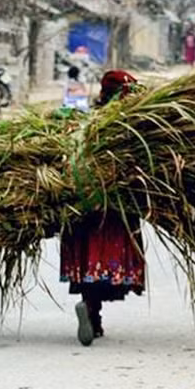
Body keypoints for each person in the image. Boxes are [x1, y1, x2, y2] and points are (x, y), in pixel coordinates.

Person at [59, 69, 146, 345]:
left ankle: (92, 313)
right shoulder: (131, 126)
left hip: (81, 204)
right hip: (114, 209)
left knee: (88, 263)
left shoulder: (87, 121)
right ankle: (93, 315)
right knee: (104, 264)